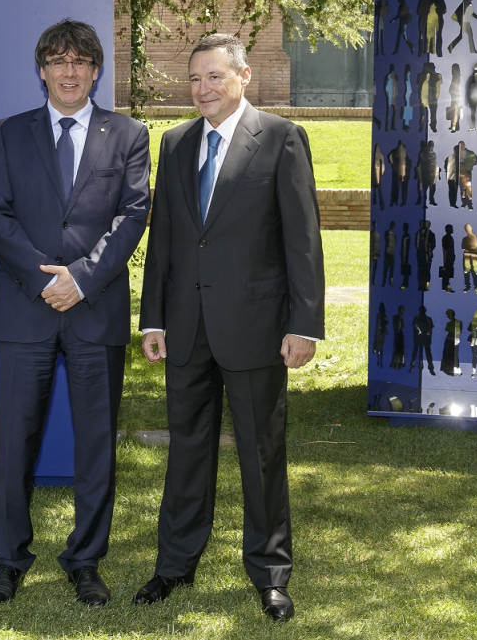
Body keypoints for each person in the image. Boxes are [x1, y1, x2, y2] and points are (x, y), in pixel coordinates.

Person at [137, 33, 324, 623]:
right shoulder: (174, 143)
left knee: (261, 455)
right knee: (186, 452)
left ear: (244, 76)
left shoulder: (281, 137)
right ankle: (174, 566)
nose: (202, 89)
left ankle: (270, 575)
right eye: (194, 79)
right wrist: (153, 318)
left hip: (256, 327)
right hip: (186, 328)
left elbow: (303, 239)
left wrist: (305, 325)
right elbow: (166, 239)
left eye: (214, 76)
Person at [0, 19, 151, 606]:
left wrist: (80, 279)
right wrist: (43, 279)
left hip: (94, 309)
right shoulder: (8, 133)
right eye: (58, 61)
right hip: (25, 309)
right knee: (14, 443)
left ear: (96, 71)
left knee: (97, 444)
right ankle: (8, 560)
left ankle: (85, 561)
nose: (69, 71)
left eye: (80, 61)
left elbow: (132, 214)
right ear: (42, 70)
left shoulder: (127, 134)